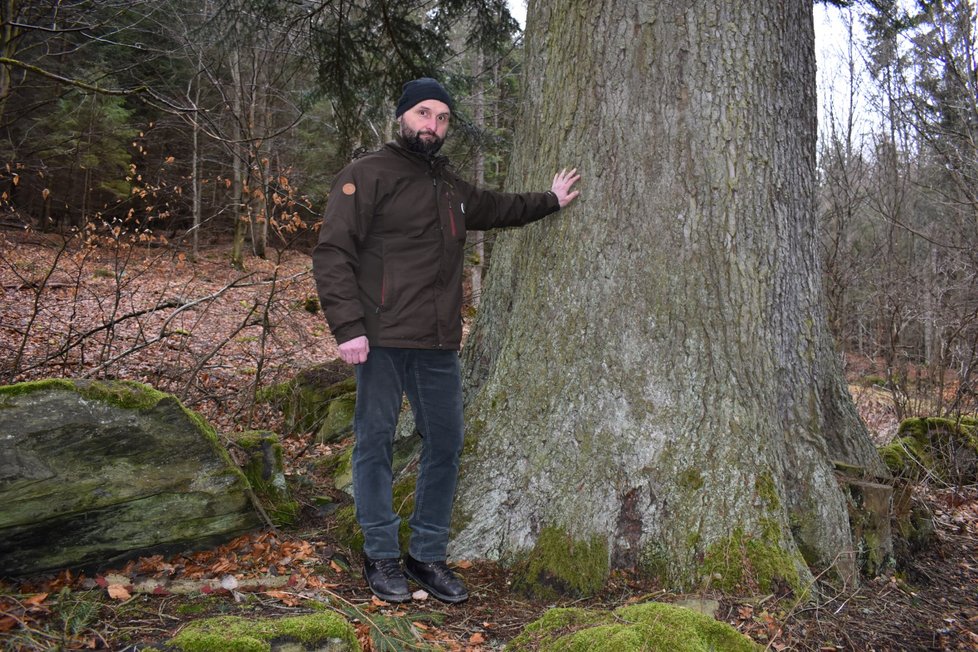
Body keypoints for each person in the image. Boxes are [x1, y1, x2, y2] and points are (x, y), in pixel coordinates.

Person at [312, 77, 581, 604]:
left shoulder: (451, 188)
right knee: (374, 445)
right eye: (424, 114)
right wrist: (348, 328)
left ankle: (426, 554)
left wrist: (550, 200)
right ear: (402, 117)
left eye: (442, 118)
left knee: (446, 445)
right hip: (381, 340)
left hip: (438, 344)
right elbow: (332, 254)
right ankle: (382, 553)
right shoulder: (365, 176)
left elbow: (501, 208)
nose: (432, 125)